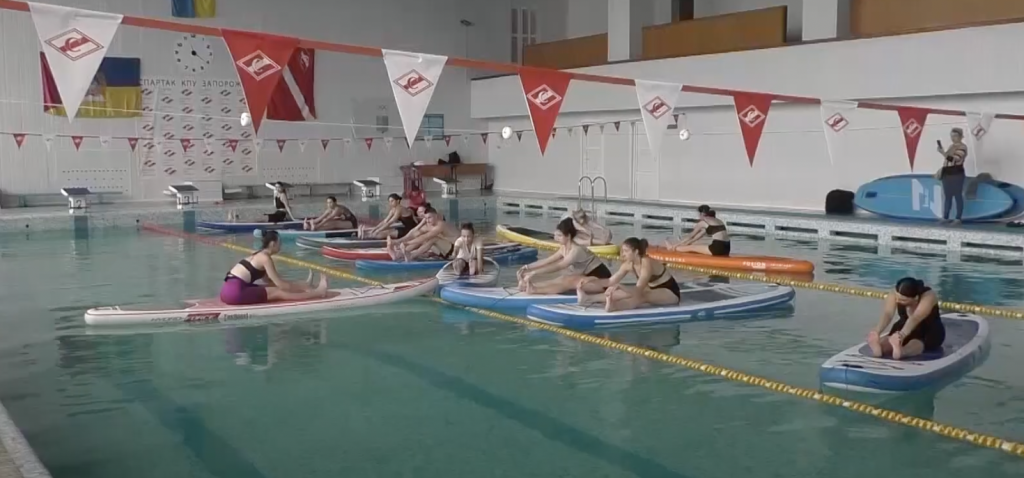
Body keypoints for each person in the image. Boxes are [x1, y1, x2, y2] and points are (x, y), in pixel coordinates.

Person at [220, 231, 328, 305]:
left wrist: (301, 285)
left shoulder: (257, 255)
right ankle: (319, 292)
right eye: (279, 243)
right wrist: (301, 287)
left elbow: (269, 282)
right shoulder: (265, 258)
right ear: (272, 244)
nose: (280, 246)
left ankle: (306, 285)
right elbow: (281, 285)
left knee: (270, 287)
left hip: (226, 292)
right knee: (278, 292)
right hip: (235, 293)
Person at [578, 237, 681, 312]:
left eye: (626, 251)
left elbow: (638, 289)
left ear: (636, 252)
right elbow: (610, 281)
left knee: (641, 295)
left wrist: (621, 286)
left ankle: (615, 307)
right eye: (622, 251)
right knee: (623, 292)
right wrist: (591, 281)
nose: (623, 254)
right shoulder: (628, 264)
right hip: (651, 290)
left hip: (670, 292)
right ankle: (588, 298)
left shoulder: (646, 262)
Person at [517, 218, 612, 295]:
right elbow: (548, 260)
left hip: (602, 282)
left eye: (560, 236)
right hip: (587, 279)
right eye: (556, 235)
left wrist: (534, 272)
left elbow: (559, 266)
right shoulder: (563, 248)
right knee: (561, 278)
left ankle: (535, 290)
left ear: (568, 236)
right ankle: (528, 286)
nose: (556, 238)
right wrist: (527, 267)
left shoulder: (576, 250)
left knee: (568, 281)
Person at [867, 277, 946, 360]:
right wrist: (877, 331)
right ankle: (879, 349)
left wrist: (902, 335)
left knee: (916, 342)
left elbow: (916, 317)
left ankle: (902, 352)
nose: (897, 301)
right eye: (897, 298)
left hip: (928, 328)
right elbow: (888, 313)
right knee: (890, 340)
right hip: (904, 324)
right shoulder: (895, 293)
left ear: (915, 298)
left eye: (903, 300)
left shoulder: (928, 296)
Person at [388, 206, 456, 262]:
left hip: (454, 251)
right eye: (426, 218)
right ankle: (399, 254)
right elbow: (415, 234)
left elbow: (426, 236)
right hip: (444, 251)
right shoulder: (429, 225)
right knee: (421, 238)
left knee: (433, 239)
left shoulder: (440, 225)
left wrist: (407, 243)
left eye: (429, 218)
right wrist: (399, 242)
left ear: (436, 216)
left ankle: (412, 255)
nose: (427, 221)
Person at [664, 205, 730, 256]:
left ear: (701, 214)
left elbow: (691, 236)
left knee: (692, 248)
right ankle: (680, 246)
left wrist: (676, 245)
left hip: (718, 248)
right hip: (727, 248)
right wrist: (688, 243)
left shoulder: (703, 222)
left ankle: (672, 248)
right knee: (692, 245)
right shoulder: (718, 221)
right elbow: (700, 235)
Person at [937, 128, 969, 224]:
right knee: (947, 196)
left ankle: (958, 218)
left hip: (956, 174)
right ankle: (945, 217)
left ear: (961, 137)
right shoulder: (951, 146)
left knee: (957, 195)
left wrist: (943, 153)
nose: (953, 138)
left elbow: (955, 159)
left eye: (955, 136)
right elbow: (947, 160)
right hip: (947, 173)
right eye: (952, 136)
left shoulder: (963, 147)